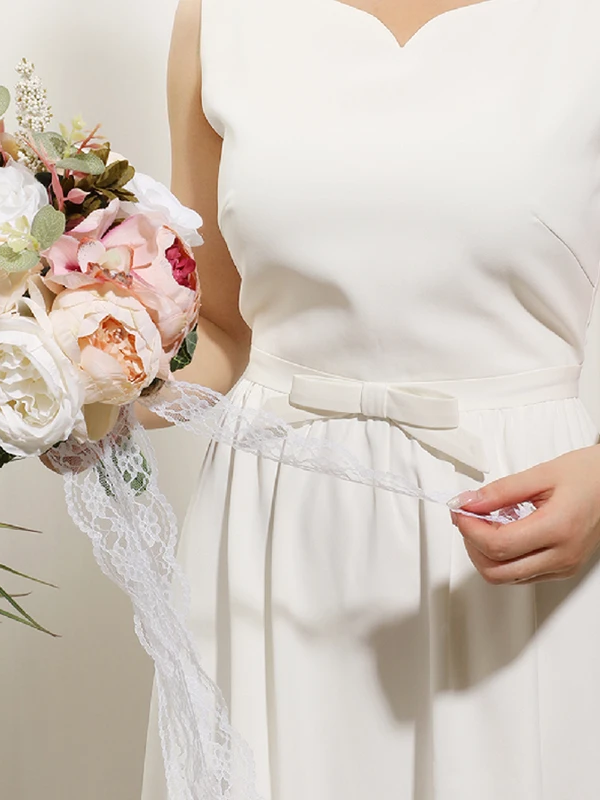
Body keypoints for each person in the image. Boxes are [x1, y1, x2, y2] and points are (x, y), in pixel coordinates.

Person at [139, 0, 600, 797]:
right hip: (272, 533)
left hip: (520, 526)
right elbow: (215, 326)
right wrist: (75, 385)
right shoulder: (218, 18)